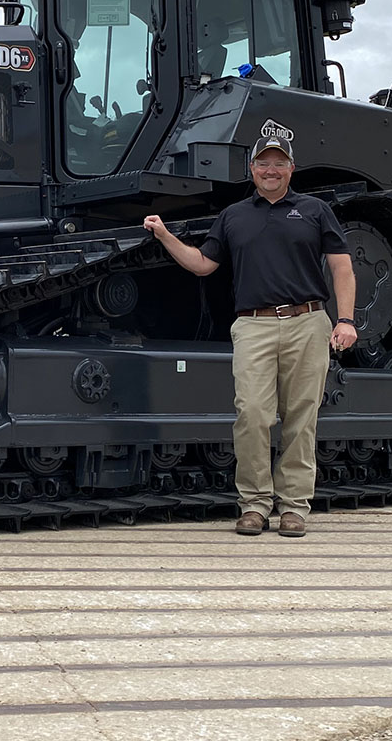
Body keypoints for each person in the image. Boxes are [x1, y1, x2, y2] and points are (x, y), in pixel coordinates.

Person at [142, 135, 357, 538]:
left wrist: (345, 320)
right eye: (263, 163)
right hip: (253, 325)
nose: (270, 170)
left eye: (279, 162)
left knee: (300, 417)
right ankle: (254, 504)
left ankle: (294, 507)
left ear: (291, 168)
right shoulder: (234, 215)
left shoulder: (315, 210)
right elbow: (204, 264)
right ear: (252, 170)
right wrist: (166, 236)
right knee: (252, 414)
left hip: (307, 321)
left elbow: (342, 268)